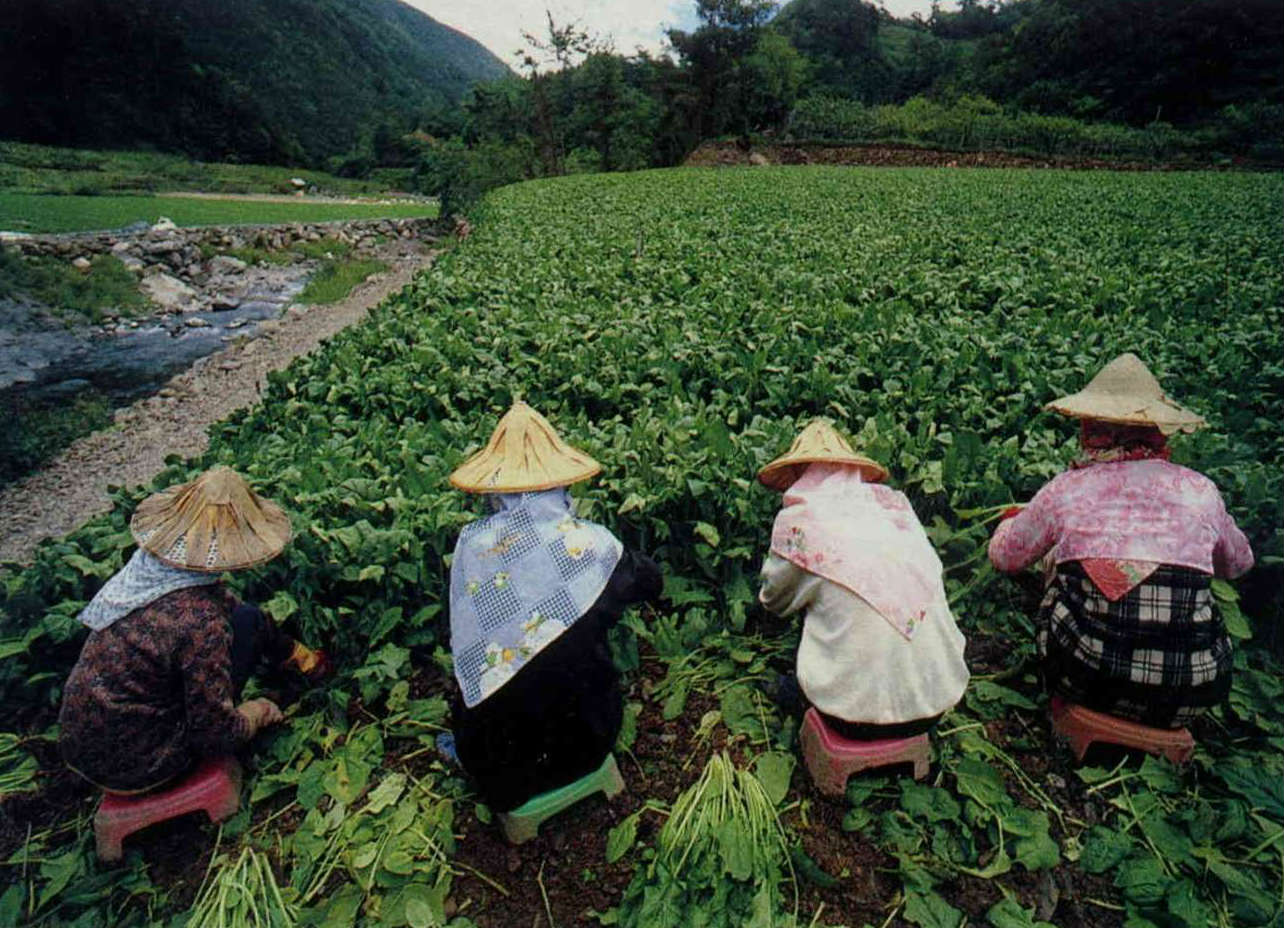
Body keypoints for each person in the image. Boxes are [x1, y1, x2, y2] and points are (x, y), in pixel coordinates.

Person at [989, 353, 1254, 728]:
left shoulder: (1068, 488)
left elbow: (1005, 558)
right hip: (1191, 693)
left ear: (1093, 428)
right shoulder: (1200, 490)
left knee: (1059, 564)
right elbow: (1239, 564)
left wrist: (1009, 522)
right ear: (1157, 430)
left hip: (1086, 678)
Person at [59, 466, 329, 794]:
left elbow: (230, 607)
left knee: (247, 618)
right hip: (144, 765)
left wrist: (287, 647)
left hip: (81, 746)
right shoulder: (201, 622)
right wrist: (256, 712)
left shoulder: (142, 577)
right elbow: (215, 735)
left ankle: (302, 663)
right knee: (243, 631)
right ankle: (297, 676)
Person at [448, 400, 661, 813]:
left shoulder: (473, 547)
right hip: (587, 741)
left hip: (499, 767)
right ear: (559, 487)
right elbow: (651, 581)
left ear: (496, 494)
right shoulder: (590, 547)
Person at [757, 419, 969, 740]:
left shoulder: (801, 524)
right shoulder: (895, 510)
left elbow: (774, 600)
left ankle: (800, 693)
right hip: (935, 704)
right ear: (852, 472)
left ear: (801, 476)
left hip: (851, 716)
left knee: (815, 607)